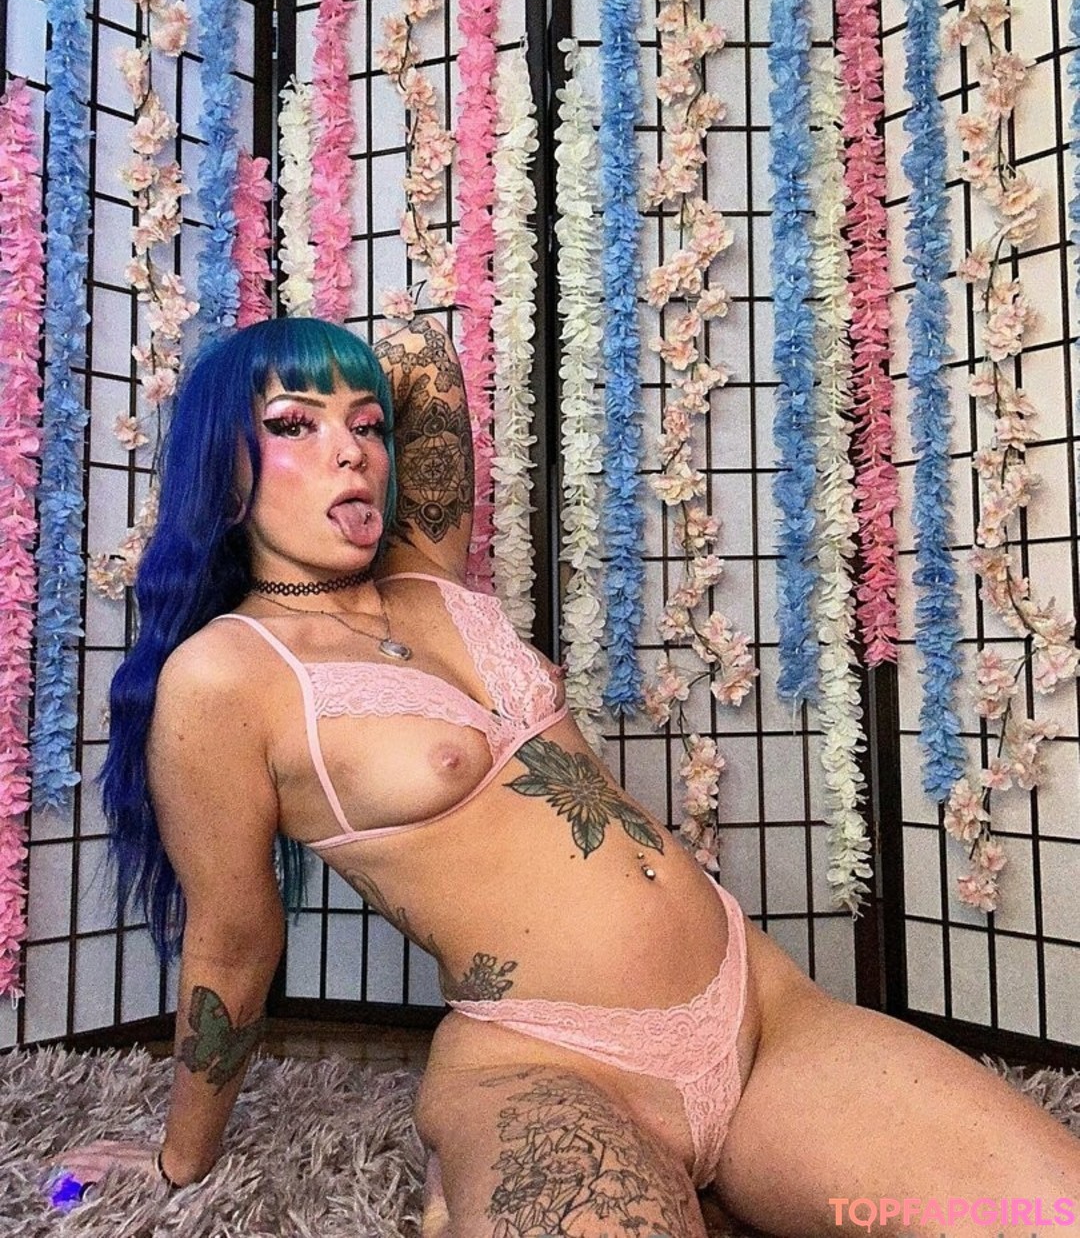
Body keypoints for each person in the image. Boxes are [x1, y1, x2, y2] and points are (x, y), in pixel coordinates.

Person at [54, 315, 1079, 1236]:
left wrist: (323, 377)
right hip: (547, 1063)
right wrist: (181, 1154)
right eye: (293, 425)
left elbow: (423, 358)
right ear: (222, 467)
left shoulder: (422, 569)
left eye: (366, 426)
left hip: (762, 1013)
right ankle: (498, 1170)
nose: (351, 450)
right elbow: (234, 939)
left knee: (1051, 1209)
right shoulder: (226, 677)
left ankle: (713, 1181)